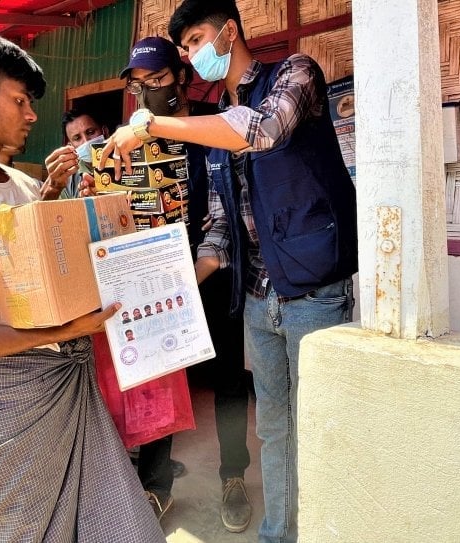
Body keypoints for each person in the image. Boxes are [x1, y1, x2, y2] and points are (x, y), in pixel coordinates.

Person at [101, 3, 359, 541]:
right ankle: (276, 532)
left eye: (197, 41)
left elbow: (261, 131)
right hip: (260, 297)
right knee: (273, 426)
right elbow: (220, 229)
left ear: (229, 31)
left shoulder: (295, 73)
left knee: (322, 426)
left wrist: (150, 126)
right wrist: (174, 287)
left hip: (315, 290)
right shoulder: (217, 114)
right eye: (188, 49)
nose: (195, 56)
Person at [0, 34, 164, 543]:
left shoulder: (20, 184)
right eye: (20, 101)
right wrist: (57, 329)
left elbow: (40, 277)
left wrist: (75, 211)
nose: (32, 115)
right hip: (8, 403)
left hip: (64, 381)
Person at [118, 35, 252, 533]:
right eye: (141, 84)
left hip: (216, 271)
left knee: (229, 381)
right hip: (158, 280)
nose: (150, 91)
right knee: (160, 379)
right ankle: (157, 487)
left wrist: (205, 266)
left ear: (182, 77)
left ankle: (233, 475)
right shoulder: (133, 138)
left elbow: (233, 204)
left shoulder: (208, 126)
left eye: (159, 80)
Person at [43, 108, 110, 199]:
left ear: (105, 131)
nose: (86, 141)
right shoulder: (67, 179)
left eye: (90, 132)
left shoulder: (127, 161)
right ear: (71, 146)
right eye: (77, 138)